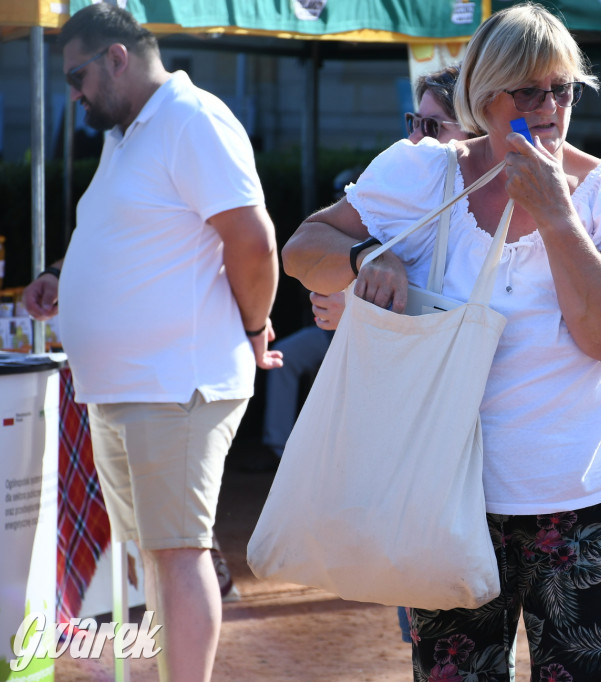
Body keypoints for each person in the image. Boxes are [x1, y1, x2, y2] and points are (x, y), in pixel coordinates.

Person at [281, 4, 601, 679]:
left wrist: (556, 215)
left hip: (587, 498)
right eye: (529, 89)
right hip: (446, 494)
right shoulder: (423, 172)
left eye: (563, 88)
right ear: (482, 94)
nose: (550, 106)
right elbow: (303, 249)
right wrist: (369, 256)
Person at [22, 5, 281, 681]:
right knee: (154, 554)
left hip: (176, 384)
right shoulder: (128, 134)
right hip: (129, 387)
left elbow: (252, 244)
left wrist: (254, 330)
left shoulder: (193, 119)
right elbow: (133, 234)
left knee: (176, 553)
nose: (72, 92)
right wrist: (62, 277)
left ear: (116, 58)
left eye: (77, 74)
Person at [309, 64, 474, 330]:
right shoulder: (403, 190)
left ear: (476, 134)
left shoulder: (502, 204)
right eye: (414, 122)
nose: (416, 137)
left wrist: (359, 311)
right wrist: (365, 259)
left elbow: (477, 320)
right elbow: (301, 247)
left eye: (432, 126)